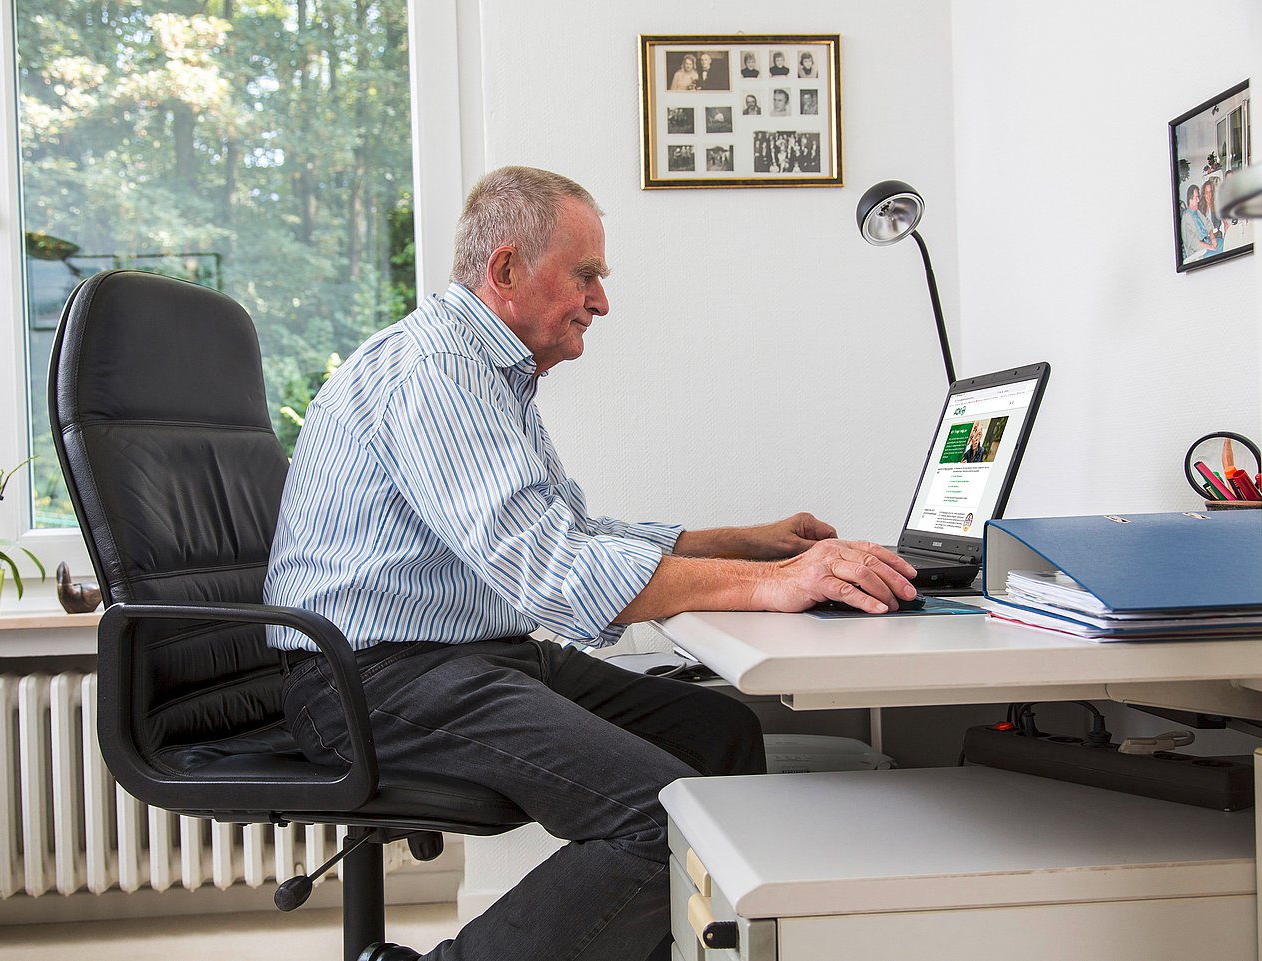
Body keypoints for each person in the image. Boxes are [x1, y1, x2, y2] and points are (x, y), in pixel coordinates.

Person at [265, 166, 918, 961]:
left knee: (722, 736)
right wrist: (774, 585)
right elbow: (555, 571)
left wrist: (742, 544)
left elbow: (569, 530)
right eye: (586, 276)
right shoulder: (436, 372)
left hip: (469, 659)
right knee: (662, 815)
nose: (601, 301)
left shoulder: (491, 374)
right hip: (372, 681)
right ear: (505, 271)